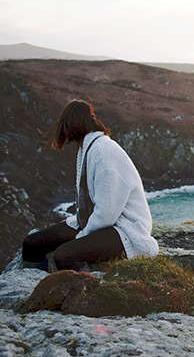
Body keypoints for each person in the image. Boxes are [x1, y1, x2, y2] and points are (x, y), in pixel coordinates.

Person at [22, 99, 159, 271]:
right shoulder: (89, 148)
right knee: (31, 244)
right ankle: (36, 285)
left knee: (64, 256)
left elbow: (106, 214)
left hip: (124, 229)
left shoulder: (104, 154)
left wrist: (82, 237)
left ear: (72, 126)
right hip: (97, 223)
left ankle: (87, 290)